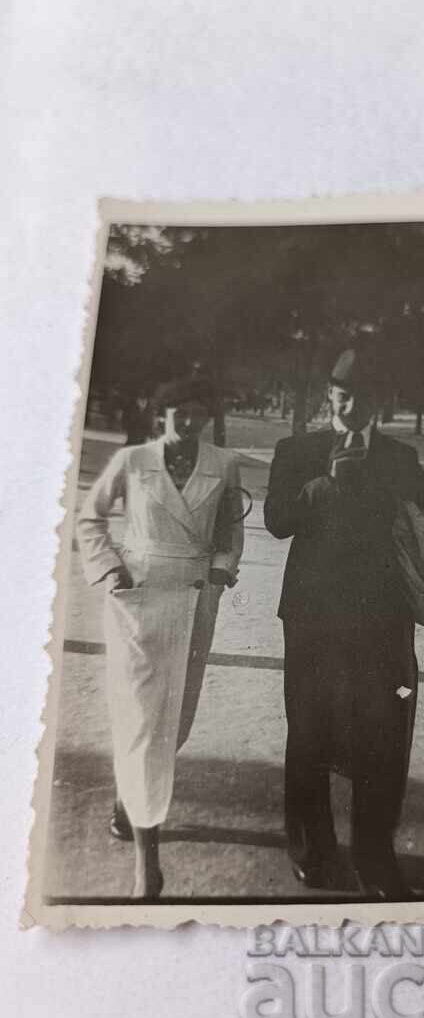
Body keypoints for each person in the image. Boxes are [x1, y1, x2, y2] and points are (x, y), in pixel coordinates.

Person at [264, 348, 424, 900]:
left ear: (375, 405)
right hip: (312, 617)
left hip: (383, 620)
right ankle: (312, 853)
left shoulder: (400, 456)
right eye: (342, 396)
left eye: (361, 398)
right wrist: (321, 486)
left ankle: (376, 859)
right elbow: (275, 522)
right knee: (309, 731)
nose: (351, 405)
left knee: (383, 738)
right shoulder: (297, 451)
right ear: (329, 397)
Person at [77, 375, 245, 900]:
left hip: (193, 600)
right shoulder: (133, 462)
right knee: (141, 717)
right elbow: (90, 518)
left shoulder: (225, 465)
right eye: (177, 413)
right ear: (160, 415)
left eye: (196, 413)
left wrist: (220, 572)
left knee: (177, 717)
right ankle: (146, 862)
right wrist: (110, 571)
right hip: (138, 600)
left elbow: (229, 534)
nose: (187, 423)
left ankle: (131, 799)